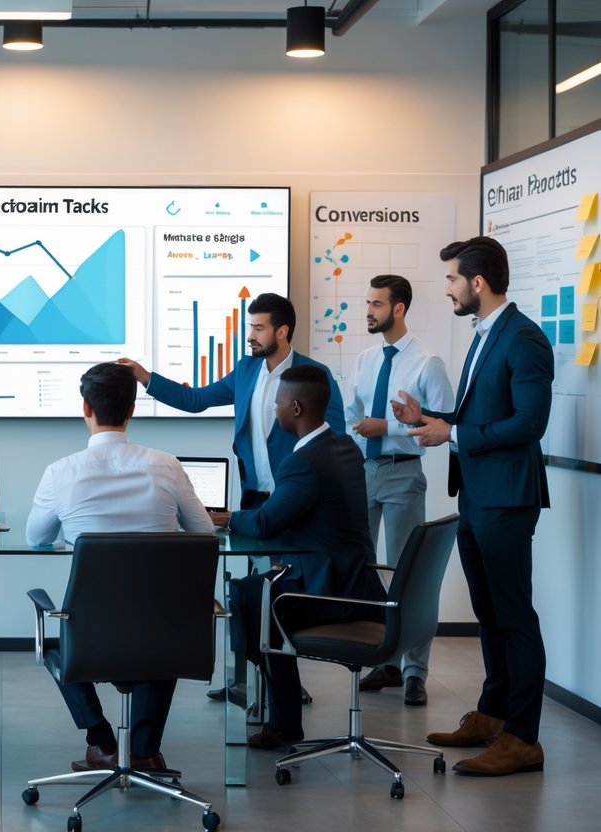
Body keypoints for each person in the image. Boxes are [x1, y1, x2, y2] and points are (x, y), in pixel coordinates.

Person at [393, 236, 553, 777]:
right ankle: (492, 714)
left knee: (513, 616)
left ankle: (523, 738)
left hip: (507, 497)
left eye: (452, 280)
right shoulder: (487, 335)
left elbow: (530, 424)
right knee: (489, 615)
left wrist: (453, 433)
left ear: (477, 284)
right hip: (480, 494)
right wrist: (429, 416)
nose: (447, 289)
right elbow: (478, 414)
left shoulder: (524, 338)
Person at [25, 362, 214, 772]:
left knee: (59, 639)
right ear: (132, 410)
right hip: (166, 633)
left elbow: (36, 539)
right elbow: (203, 533)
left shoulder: (60, 473)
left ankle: (102, 741)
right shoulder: (166, 465)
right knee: (160, 624)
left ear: (85, 409)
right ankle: (144, 749)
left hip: (92, 633)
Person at [211, 365, 386, 750]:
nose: (273, 410)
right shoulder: (343, 448)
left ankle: (281, 717)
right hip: (359, 582)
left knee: (248, 597)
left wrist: (224, 518)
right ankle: (278, 704)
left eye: (276, 403)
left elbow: (265, 523)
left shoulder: (303, 462)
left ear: (294, 407)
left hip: (329, 590)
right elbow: (317, 515)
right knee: (259, 592)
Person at [119, 293, 345, 510]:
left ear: (281, 332)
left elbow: (335, 438)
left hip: (298, 498)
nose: (250, 337)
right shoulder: (245, 370)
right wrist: (145, 377)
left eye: (259, 329)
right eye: (251, 328)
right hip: (254, 499)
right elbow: (196, 400)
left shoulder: (315, 373)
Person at [345, 275, 455, 707]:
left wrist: (388, 427)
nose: (368, 311)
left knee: (409, 571)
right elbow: (353, 410)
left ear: (399, 308)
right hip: (364, 470)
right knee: (363, 567)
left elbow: (442, 426)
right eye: (367, 302)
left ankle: (414, 671)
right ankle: (384, 659)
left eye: (376, 304)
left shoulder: (428, 364)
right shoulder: (366, 359)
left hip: (403, 472)